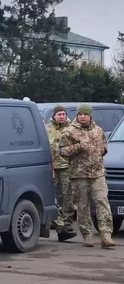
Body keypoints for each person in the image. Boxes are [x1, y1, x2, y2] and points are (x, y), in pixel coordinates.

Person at [59, 104, 116, 248]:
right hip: (79, 175)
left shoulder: (98, 130)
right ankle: (87, 235)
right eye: (80, 114)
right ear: (77, 115)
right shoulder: (69, 131)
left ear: (90, 115)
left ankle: (106, 234)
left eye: (85, 114)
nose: (83, 116)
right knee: (83, 206)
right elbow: (62, 151)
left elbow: (104, 148)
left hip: (97, 173)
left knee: (102, 201)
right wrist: (78, 146)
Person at [45, 105, 76, 241]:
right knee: (52, 194)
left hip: (66, 166)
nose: (62, 116)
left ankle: (67, 222)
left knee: (67, 194)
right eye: (59, 114)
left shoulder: (71, 129)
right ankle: (56, 221)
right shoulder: (47, 129)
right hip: (52, 166)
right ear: (54, 115)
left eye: (63, 114)